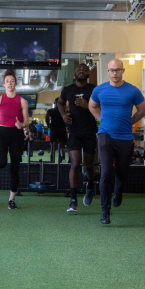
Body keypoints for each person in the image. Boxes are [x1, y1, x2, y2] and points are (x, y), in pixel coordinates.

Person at [89, 59, 145, 224]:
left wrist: (130, 121)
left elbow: (143, 110)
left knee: (122, 173)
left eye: (118, 70)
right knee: (106, 172)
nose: (115, 73)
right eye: (112, 70)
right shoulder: (100, 90)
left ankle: (118, 190)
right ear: (107, 71)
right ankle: (105, 212)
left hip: (125, 137)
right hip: (105, 135)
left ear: (123, 71)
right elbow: (92, 106)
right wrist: (102, 120)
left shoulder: (132, 90)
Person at [58, 63, 98, 213]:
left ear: (88, 73)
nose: (82, 71)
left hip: (89, 132)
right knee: (75, 164)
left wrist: (87, 106)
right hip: (74, 132)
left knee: (88, 165)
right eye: (79, 70)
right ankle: (73, 200)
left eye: (85, 70)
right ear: (75, 73)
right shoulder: (68, 90)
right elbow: (60, 102)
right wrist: (63, 115)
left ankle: (90, 185)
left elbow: (102, 108)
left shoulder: (94, 89)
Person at [0, 69, 29, 209]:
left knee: (15, 167)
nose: (10, 83)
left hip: (16, 134)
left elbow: (27, 121)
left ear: (16, 83)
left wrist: (22, 124)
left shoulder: (23, 101)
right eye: (7, 81)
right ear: (4, 84)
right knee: (0, 163)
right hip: (1, 133)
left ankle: (12, 199)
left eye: (12, 81)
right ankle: (1, 159)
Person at [45, 98, 67, 163]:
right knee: (62, 147)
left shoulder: (50, 110)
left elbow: (47, 117)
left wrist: (48, 124)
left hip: (53, 129)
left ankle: (52, 162)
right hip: (62, 129)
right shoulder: (63, 111)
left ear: (54, 103)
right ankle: (63, 159)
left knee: (52, 147)